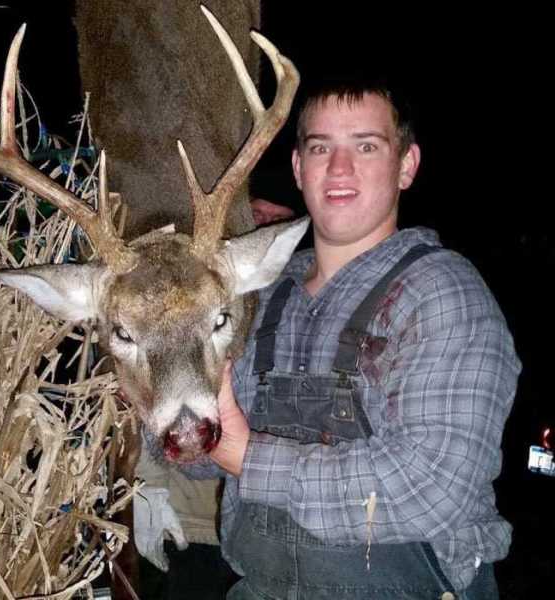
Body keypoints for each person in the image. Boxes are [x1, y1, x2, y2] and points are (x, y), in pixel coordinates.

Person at [206, 80, 521, 599]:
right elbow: (199, 457)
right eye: (321, 147)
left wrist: (244, 456)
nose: (339, 168)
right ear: (297, 168)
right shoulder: (260, 298)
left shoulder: (442, 294)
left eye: (366, 146)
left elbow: (429, 486)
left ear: (407, 166)